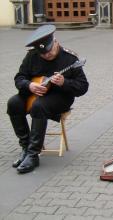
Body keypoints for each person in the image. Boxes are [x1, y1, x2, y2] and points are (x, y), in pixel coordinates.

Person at [7, 25, 89, 174]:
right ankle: (25, 147)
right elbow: (19, 77)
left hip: (60, 97)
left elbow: (83, 87)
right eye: (43, 54)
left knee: (39, 106)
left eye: (49, 51)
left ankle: (33, 154)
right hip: (34, 93)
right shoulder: (32, 56)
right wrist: (29, 85)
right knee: (13, 103)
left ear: (55, 42)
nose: (47, 55)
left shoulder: (70, 59)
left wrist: (64, 82)